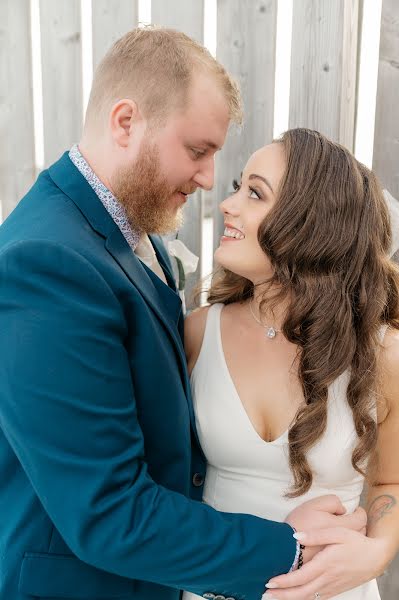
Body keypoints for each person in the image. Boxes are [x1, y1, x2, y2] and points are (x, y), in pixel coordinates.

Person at [0, 29, 366, 600]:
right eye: (197, 151)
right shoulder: (46, 262)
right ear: (126, 122)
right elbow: (108, 512)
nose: (210, 180)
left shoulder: (138, 238)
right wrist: (286, 548)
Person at [183, 128, 399, 600]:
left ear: (310, 224)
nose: (228, 203)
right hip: (213, 588)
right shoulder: (198, 333)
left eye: (255, 193)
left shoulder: (383, 354)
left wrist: (378, 552)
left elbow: (391, 479)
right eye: (240, 186)